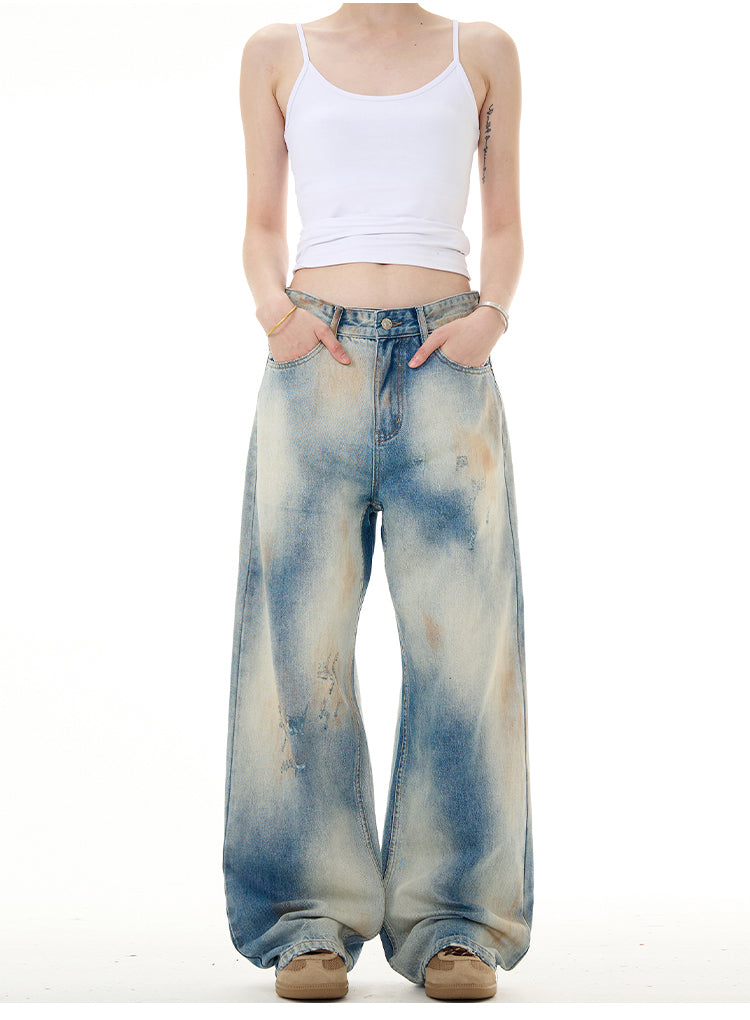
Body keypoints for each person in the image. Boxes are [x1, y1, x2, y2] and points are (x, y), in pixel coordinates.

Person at [222, 3, 532, 1002]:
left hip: (448, 358)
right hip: (316, 359)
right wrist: (275, 314)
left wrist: (492, 316)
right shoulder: (278, 51)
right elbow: (261, 222)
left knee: (466, 650)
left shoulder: (482, 50)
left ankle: (458, 924)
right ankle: (305, 920)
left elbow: (505, 221)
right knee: (297, 644)